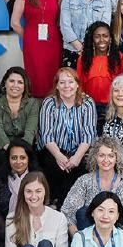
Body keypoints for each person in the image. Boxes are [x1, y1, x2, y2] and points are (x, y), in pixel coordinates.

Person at [37, 66, 98, 206]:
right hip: (55, 149)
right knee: (53, 166)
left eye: (70, 82)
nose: (67, 86)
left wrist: (76, 157)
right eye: (62, 82)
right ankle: (52, 201)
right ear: (57, 86)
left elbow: (89, 134)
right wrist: (59, 156)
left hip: (80, 149)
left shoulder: (87, 103)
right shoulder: (49, 103)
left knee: (82, 167)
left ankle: (66, 205)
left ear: (77, 84)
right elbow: (46, 134)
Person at [9, 0, 64, 99]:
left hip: (53, 41)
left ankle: (52, 107)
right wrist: (27, 36)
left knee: (52, 76)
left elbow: (62, 19)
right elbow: (14, 22)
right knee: (35, 78)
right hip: (33, 43)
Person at [60, 135, 123, 232]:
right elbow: (67, 212)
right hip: (85, 236)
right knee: (83, 213)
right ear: (95, 157)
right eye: (101, 155)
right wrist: (79, 239)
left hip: (113, 236)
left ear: (117, 158)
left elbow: (119, 219)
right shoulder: (84, 181)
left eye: (111, 156)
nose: (106, 160)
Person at [0, 67, 42, 175]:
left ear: (24, 86)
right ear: (5, 83)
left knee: (35, 167)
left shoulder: (32, 104)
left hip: (25, 144)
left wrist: (20, 153)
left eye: (20, 82)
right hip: (2, 144)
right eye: (12, 81)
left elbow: (30, 132)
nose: (15, 85)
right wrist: (11, 151)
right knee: (3, 164)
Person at [75, 21, 122, 107]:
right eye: (97, 36)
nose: (101, 40)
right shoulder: (84, 58)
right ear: (92, 39)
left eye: (105, 36)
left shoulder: (119, 57)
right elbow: (79, 83)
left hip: (113, 106)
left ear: (110, 38)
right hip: (88, 105)